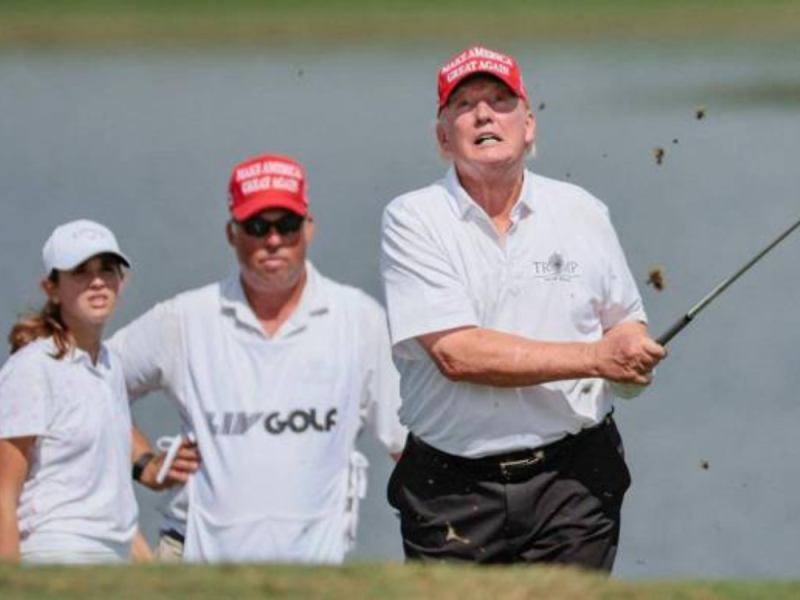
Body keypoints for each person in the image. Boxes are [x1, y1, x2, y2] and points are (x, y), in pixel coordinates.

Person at [380, 45, 667, 571]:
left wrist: (629, 353)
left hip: (574, 482)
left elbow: (623, 321)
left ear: (528, 124)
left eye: (500, 101)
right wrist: (597, 359)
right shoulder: (413, 218)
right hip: (451, 488)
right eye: (464, 105)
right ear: (443, 137)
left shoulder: (582, 210)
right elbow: (458, 354)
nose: (484, 114)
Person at [110, 153, 405, 563]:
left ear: (309, 227)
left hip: (317, 569)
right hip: (194, 559)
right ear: (232, 233)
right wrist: (143, 462)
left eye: (287, 225)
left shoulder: (359, 320)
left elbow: (405, 441)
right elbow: (88, 382)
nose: (273, 240)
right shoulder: (185, 319)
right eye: (256, 226)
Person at [0, 219, 138, 564]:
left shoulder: (111, 366)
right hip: (53, 555)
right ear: (52, 289)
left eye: (107, 269)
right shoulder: (31, 368)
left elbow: (112, 491)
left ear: (121, 281)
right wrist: (9, 582)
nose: (97, 282)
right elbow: (4, 491)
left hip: (114, 559)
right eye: (80, 272)